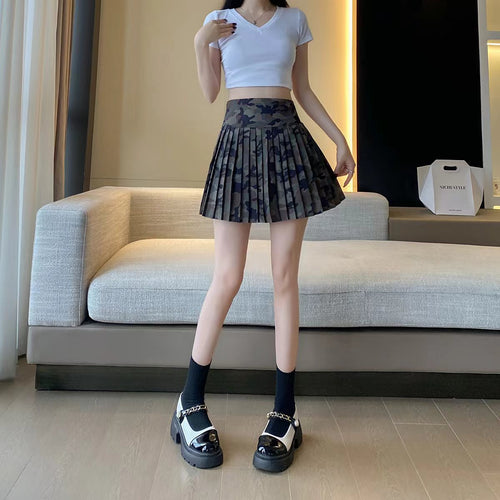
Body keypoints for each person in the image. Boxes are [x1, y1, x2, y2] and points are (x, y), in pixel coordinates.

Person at [170, 0, 356, 473]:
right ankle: (189, 400)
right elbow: (211, 92)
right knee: (227, 276)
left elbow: (303, 90)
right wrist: (200, 43)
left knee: (284, 278)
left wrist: (339, 138)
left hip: (288, 144)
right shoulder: (217, 24)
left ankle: (285, 411)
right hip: (236, 143)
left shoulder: (295, 20)